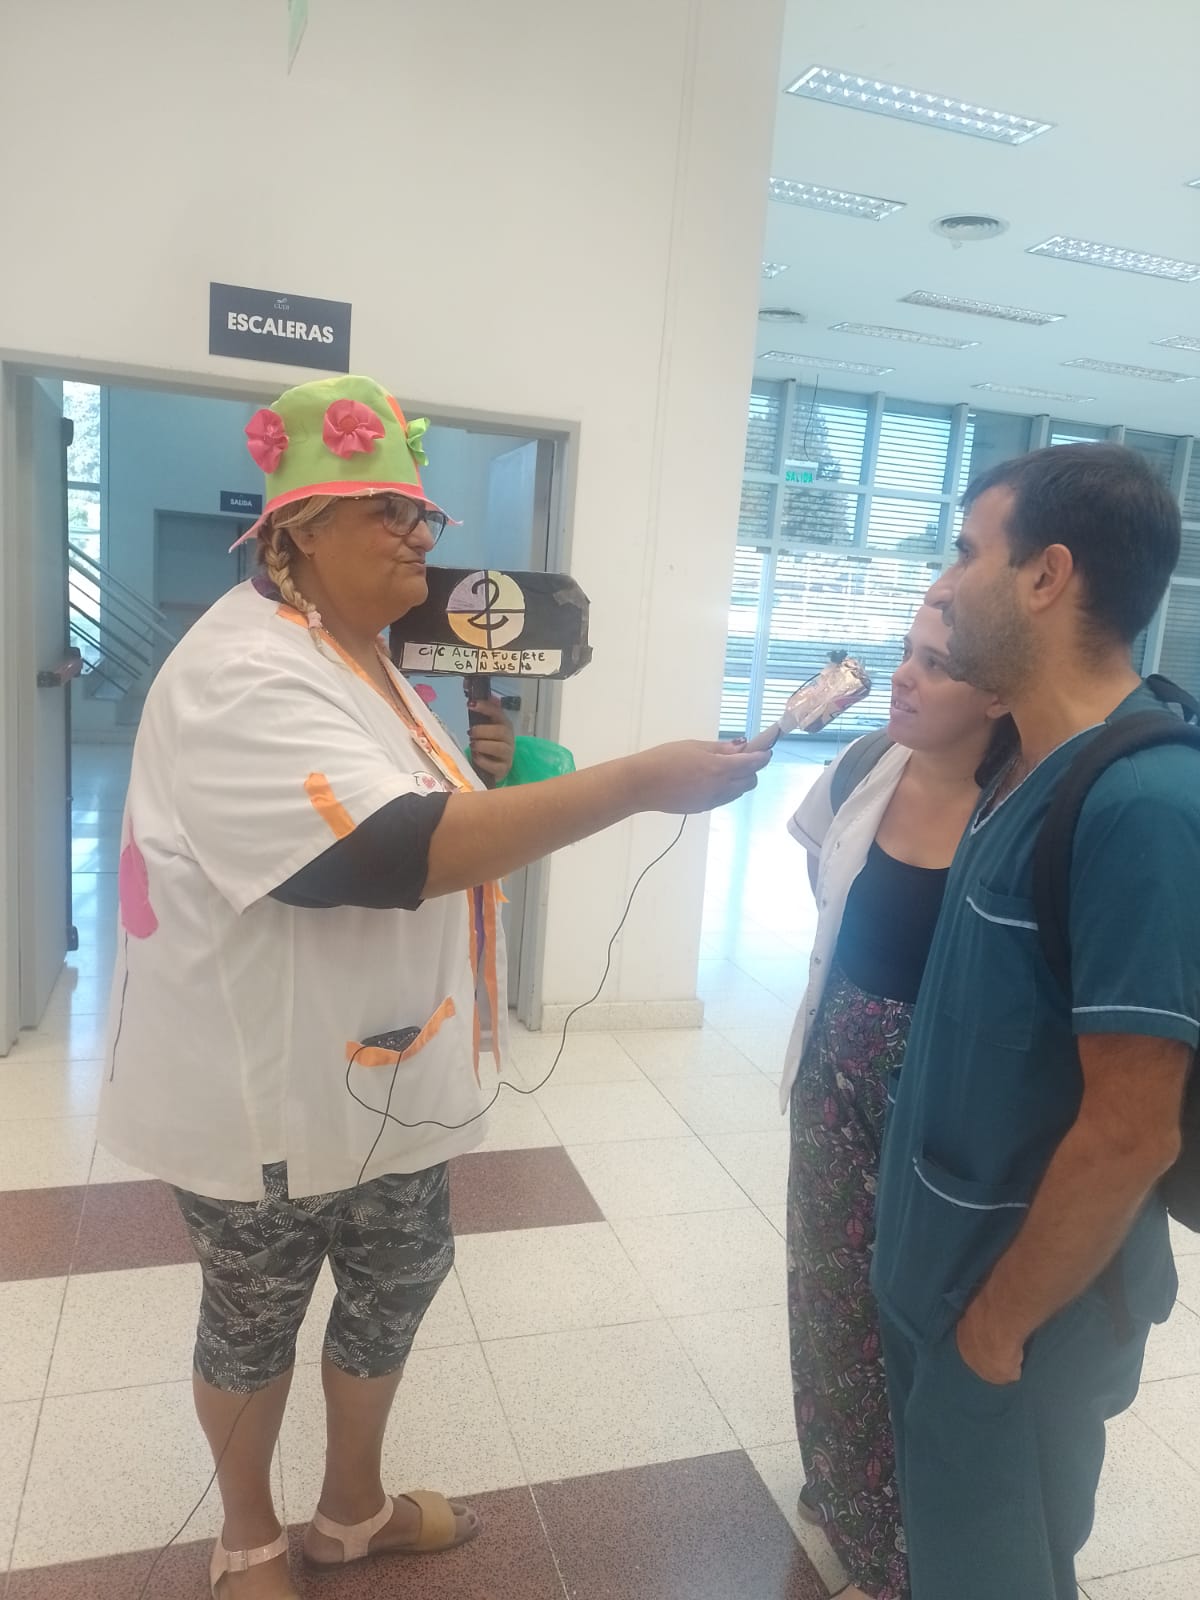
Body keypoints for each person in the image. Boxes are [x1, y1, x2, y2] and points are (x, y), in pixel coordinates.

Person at [96, 373, 768, 1600]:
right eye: (389, 511)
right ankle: (247, 1536)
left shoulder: (364, 653)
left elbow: (420, 799)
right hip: (264, 1085)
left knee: (397, 1281)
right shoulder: (244, 669)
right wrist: (632, 782)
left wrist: (492, 769)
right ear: (301, 529)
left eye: (425, 514)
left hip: (391, 1064)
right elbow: (376, 850)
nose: (421, 533)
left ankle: (351, 1512)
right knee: (253, 1317)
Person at [871, 443, 1198, 1600]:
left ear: (1048, 575)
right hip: (944, 1279)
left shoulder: (1144, 805)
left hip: (1023, 1321)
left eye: (968, 552)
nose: (944, 584)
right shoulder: (1020, 769)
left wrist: (994, 1334)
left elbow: (1132, 1131)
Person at [783, 605, 1012, 1600]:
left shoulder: (1023, 803)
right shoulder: (867, 761)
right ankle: (848, 1496)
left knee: (926, 1309)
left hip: (948, 1099)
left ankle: (922, 1537)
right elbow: (821, 863)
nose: (906, 678)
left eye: (938, 666)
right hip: (835, 1069)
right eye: (907, 656)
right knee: (830, 1290)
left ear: (998, 694)